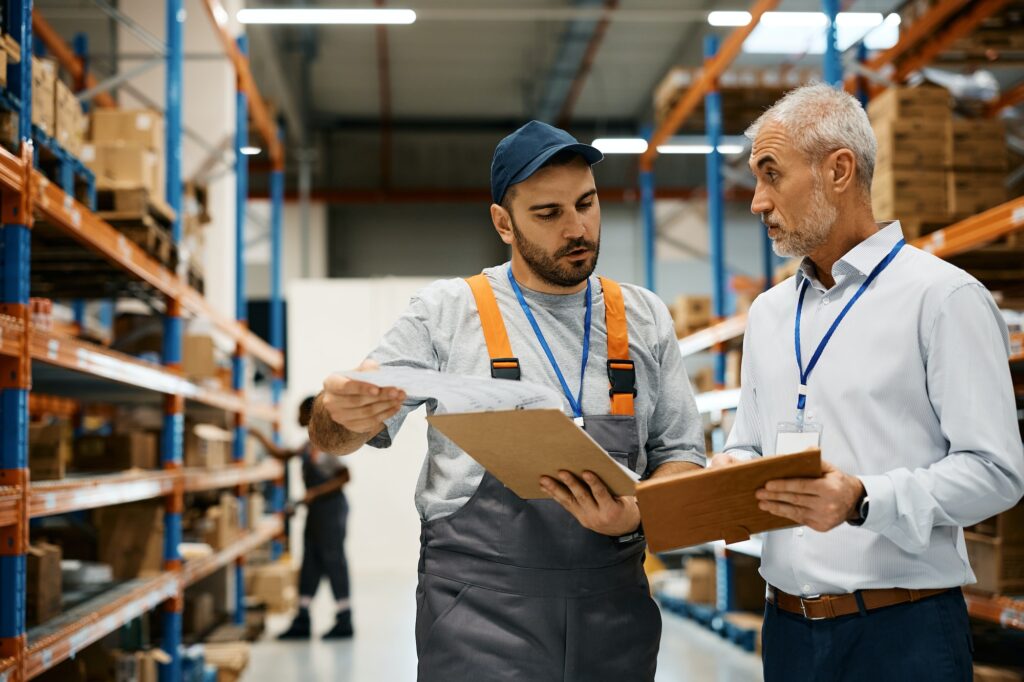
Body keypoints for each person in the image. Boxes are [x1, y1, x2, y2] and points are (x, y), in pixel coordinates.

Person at [308, 120, 705, 681]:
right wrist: (338, 414)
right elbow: (334, 435)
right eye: (548, 214)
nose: (577, 228)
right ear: (504, 223)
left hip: (614, 615)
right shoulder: (445, 313)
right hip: (477, 617)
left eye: (586, 204)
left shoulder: (644, 317)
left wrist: (637, 514)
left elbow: (681, 455)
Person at [713, 83, 1024, 681]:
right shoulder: (769, 315)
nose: (757, 202)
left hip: (902, 636)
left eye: (772, 175)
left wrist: (863, 499)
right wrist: (729, 474)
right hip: (788, 636)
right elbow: (747, 443)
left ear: (838, 170)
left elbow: (996, 471)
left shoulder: (942, 298)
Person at [249, 396, 354, 640]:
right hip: (317, 511)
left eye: (299, 412)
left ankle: (344, 619)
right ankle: (302, 619)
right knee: (310, 561)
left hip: (331, 510)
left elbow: (345, 476)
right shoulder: (308, 445)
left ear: (311, 415)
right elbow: (283, 455)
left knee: (333, 560)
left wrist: (314, 494)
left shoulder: (326, 445)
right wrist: (257, 435)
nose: (296, 416)